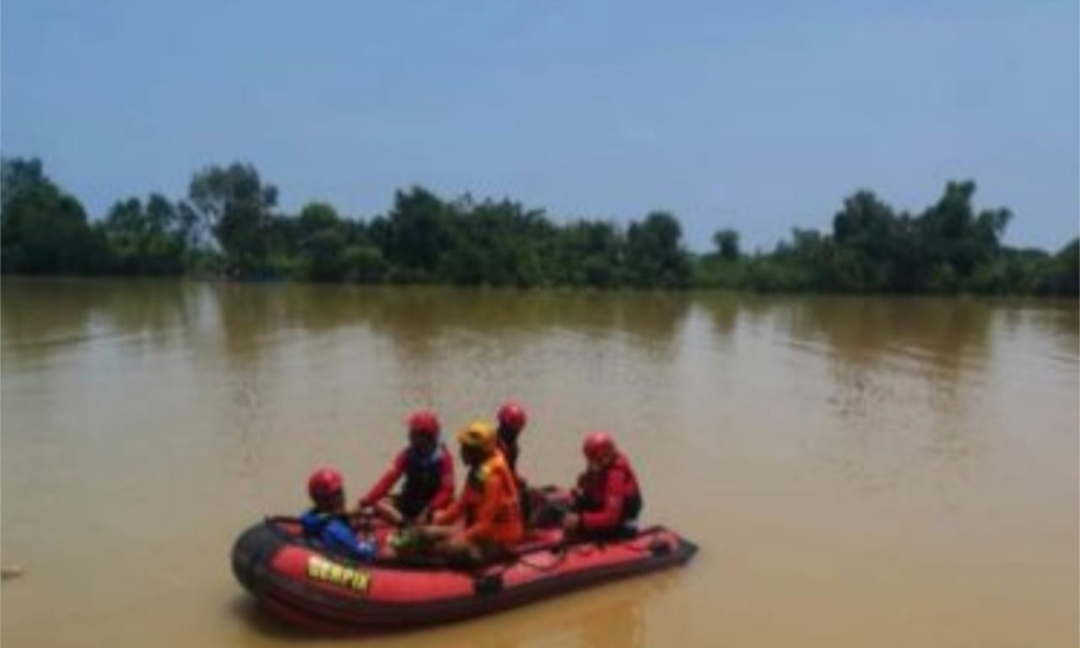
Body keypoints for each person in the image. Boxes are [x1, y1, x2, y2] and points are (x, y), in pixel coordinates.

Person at [422, 420, 524, 565]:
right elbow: (460, 506)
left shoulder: (493, 479)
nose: (461, 452)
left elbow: (484, 525)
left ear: (479, 451)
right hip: (479, 532)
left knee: (452, 547)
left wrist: (460, 537)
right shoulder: (478, 471)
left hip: (498, 539)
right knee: (427, 533)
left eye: (466, 448)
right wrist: (432, 525)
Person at [359, 409, 456, 526]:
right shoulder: (407, 455)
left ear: (427, 436)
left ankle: (415, 525)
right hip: (410, 502)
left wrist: (429, 509)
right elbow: (388, 480)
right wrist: (367, 500)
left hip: (431, 506)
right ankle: (405, 525)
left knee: (443, 514)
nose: (409, 435)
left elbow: (447, 490)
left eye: (414, 433)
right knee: (379, 504)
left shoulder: (443, 458)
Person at [562, 431, 643, 541]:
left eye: (592, 458)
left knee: (576, 526)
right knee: (556, 509)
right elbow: (585, 490)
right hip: (604, 513)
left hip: (620, 527)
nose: (590, 462)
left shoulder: (615, 476)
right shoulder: (600, 468)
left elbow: (611, 518)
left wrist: (581, 520)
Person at [300, 467, 377, 561]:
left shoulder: (315, 519)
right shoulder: (334, 530)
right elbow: (366, 556)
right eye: (335, 495)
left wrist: (353, 525)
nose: (341, 498)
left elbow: (308, 519)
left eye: (340, 492)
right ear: (322, 500)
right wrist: (370, 535)